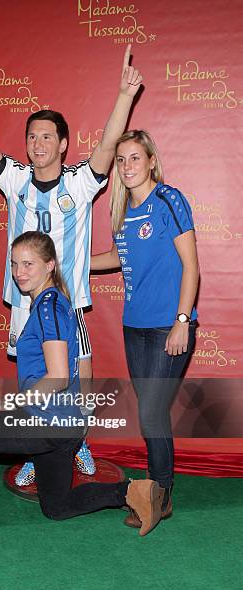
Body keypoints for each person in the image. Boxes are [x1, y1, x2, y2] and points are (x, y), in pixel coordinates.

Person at [0, 41, 143, 484]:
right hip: (24, 303)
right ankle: (37, 446)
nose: (38, 143)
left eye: (47, 136)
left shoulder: (82, 182)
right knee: (35, 377)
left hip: (67, 304)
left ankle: (79, 441)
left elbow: (109, 145)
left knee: (79, 379)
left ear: (63, 143)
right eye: (32, 136)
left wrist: (125, 97)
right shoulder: (14, 179)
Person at [0, 231, 162, 537]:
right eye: (15, 264)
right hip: (63, 426)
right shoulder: (54, 302)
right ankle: (133, 492)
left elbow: (58, 377)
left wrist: (12, 402)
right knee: (56, 507)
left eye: (29, 264)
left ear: (50, 265)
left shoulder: (49, 307)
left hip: (45, 422)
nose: (19, 272)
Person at [91, 129, 199, 528]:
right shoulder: (121, 211)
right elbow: (116, 259)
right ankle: (158, 490)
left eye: (135, 158)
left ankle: (159, 495)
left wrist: (182, 322)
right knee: (151, 413)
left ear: (151, 161)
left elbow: (191, 265)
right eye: (121, 160)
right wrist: (75, 263)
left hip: (167, 328)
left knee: (152, 412)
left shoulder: (169, 200)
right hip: (133, 327)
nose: (127, 166)